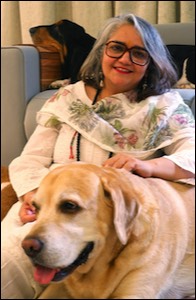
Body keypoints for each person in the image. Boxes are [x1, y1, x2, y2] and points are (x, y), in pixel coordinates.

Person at [1, 13, 195, 299]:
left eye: (138, 53)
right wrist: (34, 195)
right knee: (7, 263)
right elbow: (30, 159)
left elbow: (193, 155)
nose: (124, 59)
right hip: (47, 209)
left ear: (151, 61)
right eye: (116, 47)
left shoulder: (165, 107)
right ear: (102, 50)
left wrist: (147, 165)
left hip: (117, 222)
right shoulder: (67, 99)